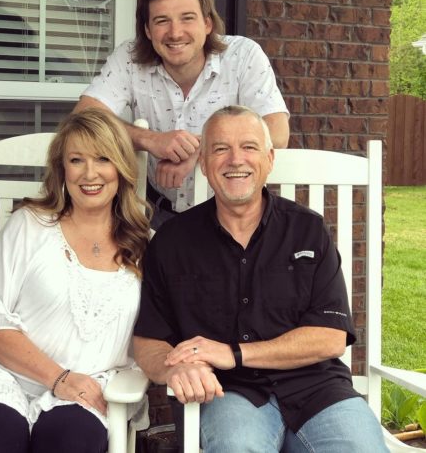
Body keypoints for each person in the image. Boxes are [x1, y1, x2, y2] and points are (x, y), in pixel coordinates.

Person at [133, 105, 389, 452]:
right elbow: (149, 341)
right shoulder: (172, 241)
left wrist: (234, 353)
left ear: (269, 159)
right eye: (221, 149)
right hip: (226, 392)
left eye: (249, 147)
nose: (236, 160)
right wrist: (173, 370)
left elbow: (329, 338)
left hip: (317, 388)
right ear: (204, 164)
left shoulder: (307, 230)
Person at [0, 108, 151, 453]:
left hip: (87, 389)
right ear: (62, 169)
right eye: (77, 160)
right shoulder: (30, 225)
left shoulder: (146, 245)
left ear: (121, 167)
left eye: (103, 158)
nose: (90, 173)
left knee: (69, 443)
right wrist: (58, 378)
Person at [73, 0, 290, 227]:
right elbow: (84, 117)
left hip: (234, 215)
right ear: (148, 29)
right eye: (162, 20)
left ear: (207, 23)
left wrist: (200, 148)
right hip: (158, 217)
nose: (175, 33)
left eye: (187, 18)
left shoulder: (243, 56)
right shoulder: (129, 59)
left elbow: (277, 133)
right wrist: (150, 140)